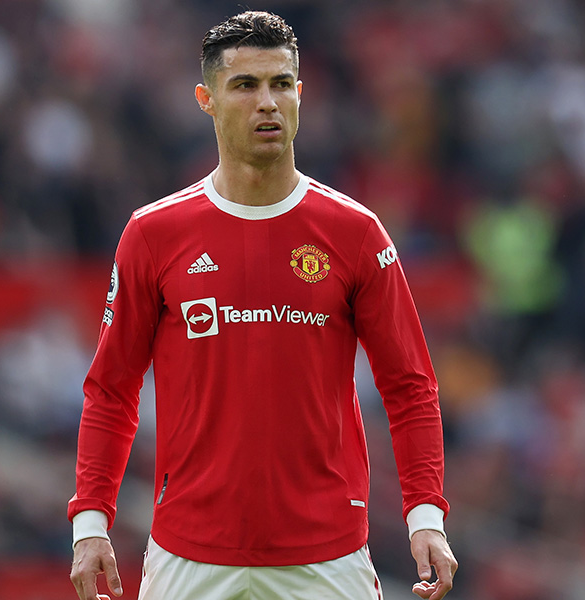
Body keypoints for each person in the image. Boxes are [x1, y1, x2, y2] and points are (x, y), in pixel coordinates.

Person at [69, 10, 457, 600]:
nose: (267, 102)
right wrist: (91, 521)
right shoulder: (153, 234)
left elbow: (410, 387)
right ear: (206, 100)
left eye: (280, 84)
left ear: (300, 94)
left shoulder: (355, 233)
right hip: (188, 554)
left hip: (327, 555)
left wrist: (425, 513)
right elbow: (111, 390)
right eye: (245, 85)